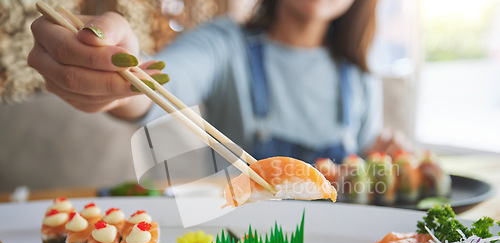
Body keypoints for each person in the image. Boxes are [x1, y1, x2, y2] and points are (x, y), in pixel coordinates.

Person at [28, 0, 409, 164]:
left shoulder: (358, 74)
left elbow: (363, 160)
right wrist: (117, 75)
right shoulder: (225, 45)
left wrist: (386, 156)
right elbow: (155, 88)